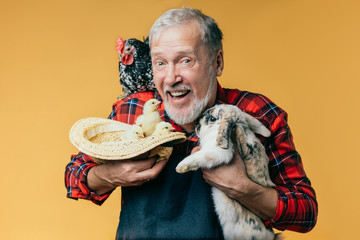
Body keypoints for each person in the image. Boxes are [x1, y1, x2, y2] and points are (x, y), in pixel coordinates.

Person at [65, 8, 317, 239]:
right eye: (160, 63)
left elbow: (305, 211)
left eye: (185, 60)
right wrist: (110, 175)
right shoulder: (133, 111)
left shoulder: (257, 113)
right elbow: (74, 175)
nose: (171, 78)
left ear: (217, 62)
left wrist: (244, 188)